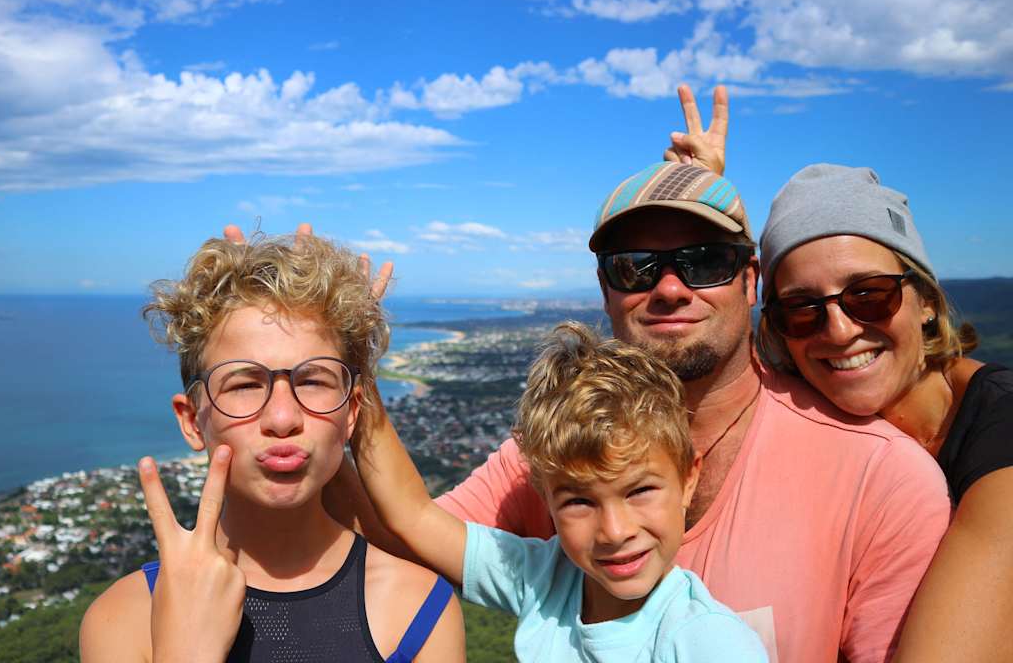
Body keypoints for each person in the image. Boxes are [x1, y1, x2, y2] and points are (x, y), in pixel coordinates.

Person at [435, 143, 951, 661]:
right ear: (605, 289)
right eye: (635, 267)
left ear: (751, 282)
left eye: (705, 262)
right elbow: (402, 541)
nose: (670, 289)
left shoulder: (880, 479)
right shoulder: (557, 449)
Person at [668, 105, 1013, 662]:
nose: (840, 329)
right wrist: (704, 214)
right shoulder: (809, 409)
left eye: (869, 294)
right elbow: (714, 343)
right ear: (778, 328)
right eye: (803, 308)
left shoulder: (1002, 440)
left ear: (925, 301)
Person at [79, 233, 465, 662]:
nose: (283, 418)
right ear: (192, 420)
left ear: (352, 412)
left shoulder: (417, 608)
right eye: (244, 384)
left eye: (314, 380)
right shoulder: (124, 618)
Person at [353, 320, 766, 661]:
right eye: (580, 501)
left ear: (688, 480)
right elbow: (413, 515)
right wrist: (355, 371)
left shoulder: (707, 641)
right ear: (544, 497)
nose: (615, 531)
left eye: (639, 491)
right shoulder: (547, 579)